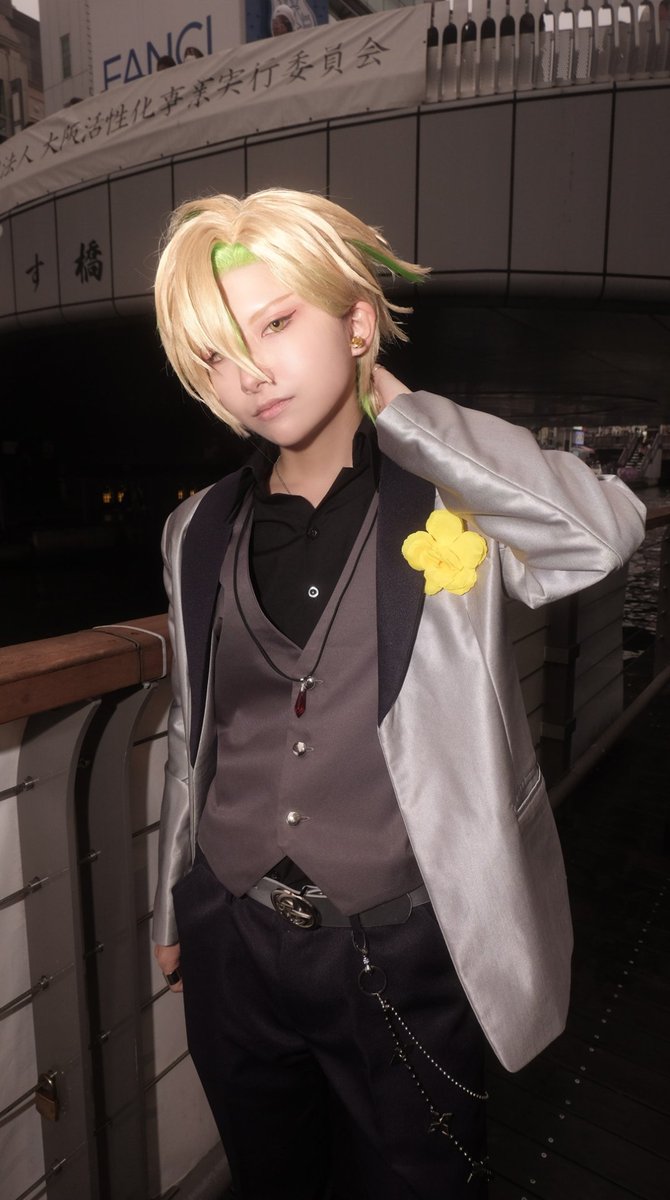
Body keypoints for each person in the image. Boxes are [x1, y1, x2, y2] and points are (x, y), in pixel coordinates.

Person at [152, 188, 645, 1199]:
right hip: (231, 934)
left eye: (275, 324)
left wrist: (406, 414)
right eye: (216, 354)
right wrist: (175, 899)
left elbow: (601, 535)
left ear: (357, 320)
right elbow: (192, 728)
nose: (250, 372)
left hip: (405, 941)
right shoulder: (194, 529)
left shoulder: (456, 492)